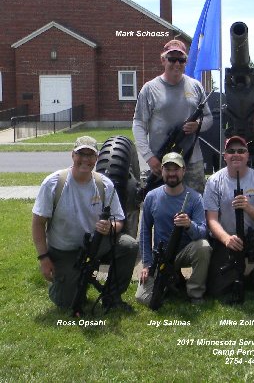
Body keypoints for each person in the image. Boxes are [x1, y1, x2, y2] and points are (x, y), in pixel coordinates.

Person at [32, 136, 138, 310]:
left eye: (91, 155)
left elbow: (119, 219)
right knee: (68, 303)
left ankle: (112, 297)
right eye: (81, 154)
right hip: (65, 251)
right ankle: (62, 284)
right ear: (72, 155)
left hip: (96, 244)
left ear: (97, 159)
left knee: (129, 246)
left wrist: (110, 227)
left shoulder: (105, 185)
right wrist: (44, 258)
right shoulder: (53, 183)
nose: (85, 160)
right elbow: (37, 223)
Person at [203, 136, 254, 298]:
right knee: (217, 292)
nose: (236, 154)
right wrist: (226, 239)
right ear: (224, 156)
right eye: (231, 151)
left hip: (252, 235)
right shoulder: (213, 181)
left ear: (248, 155)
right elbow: (211, 219)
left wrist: (248, 207)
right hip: (226, 238)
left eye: (241, 151)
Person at [133, 39, 213, 194]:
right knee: (162, 209)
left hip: (192, 161)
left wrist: (198, 126)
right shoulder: (149, 89)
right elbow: (138, 124)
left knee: (194, 205)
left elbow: (208, 118)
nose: (177, 64)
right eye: (172, 59)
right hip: (162, 161)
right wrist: (150, 158)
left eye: (181, 60)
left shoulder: (196, 86)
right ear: (163, 60)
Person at [135, 152, 211, 305]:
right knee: (143, 299)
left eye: (176, 169)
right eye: (167, 169)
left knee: (203, 247)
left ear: (183, 171)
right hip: (160, 257)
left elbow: (203, 232)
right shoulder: (151, 197)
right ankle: (171, 283)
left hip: (185, 252)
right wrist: (147, 264)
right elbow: (144, 233)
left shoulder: (195, 198)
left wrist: (189, 225)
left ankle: (195, 293)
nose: (171, 173)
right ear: (161, 171)